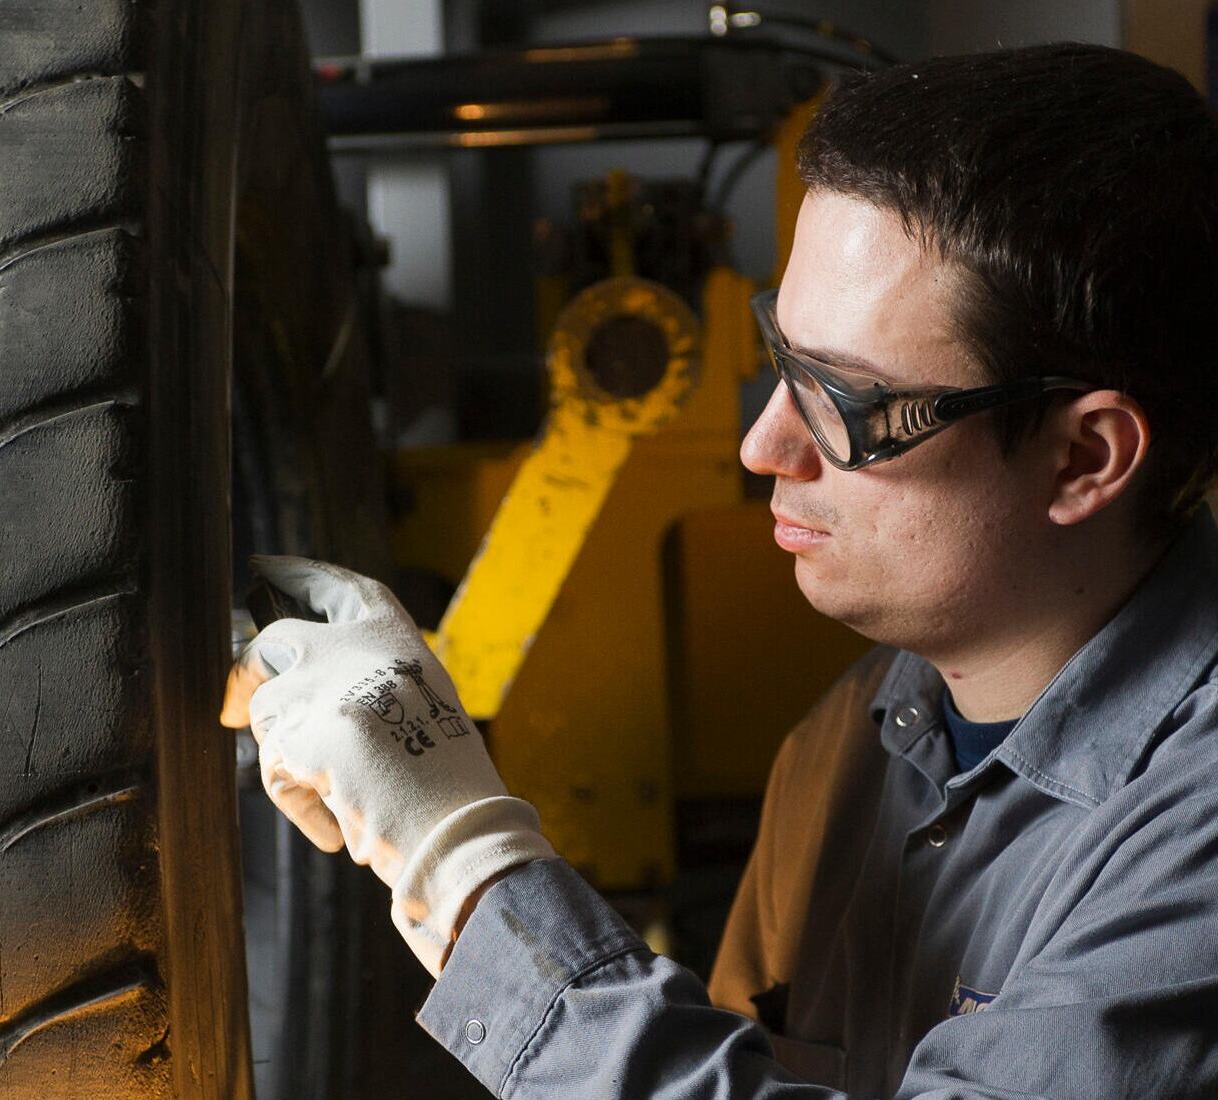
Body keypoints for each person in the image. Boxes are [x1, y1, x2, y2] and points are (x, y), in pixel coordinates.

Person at [220, 42, 1218, 1098]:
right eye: (783, 361)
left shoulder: (1193, 844)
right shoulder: (858, 738)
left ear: (1083, 457)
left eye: (846, 402)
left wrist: (459, 862)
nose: (765, 447)